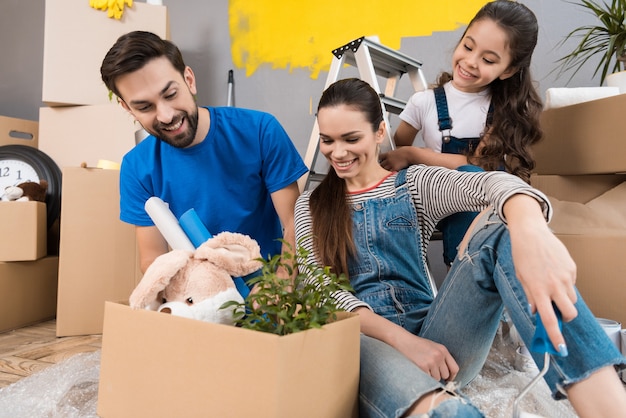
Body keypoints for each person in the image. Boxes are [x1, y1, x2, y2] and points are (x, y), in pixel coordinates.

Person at [294, 77, 626, 417]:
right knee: (445, 410)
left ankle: (608, 407)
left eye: (351, 139)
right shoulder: (311, 205)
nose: (338, 152)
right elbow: (321, 291)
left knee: (501, 234)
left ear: (380, 132)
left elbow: (493, 182)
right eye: (327, 140)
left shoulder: (415, 184)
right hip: (365, 344)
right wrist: (405, 342)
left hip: (440, 343)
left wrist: (531, 230)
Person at [100, 31, 308, 276]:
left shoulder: (260, 131)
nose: (166, 116)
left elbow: (294, 227)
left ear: (189, 80)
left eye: (170, 94)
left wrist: (279, 289)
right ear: (128, 108)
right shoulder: (137, 168)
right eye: (145, 107)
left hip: (270, 291)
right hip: (199, 297)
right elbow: (153, 261)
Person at [380, 0, 543, 267]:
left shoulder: (501, 109)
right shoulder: (423, 102)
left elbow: (475, 165)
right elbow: (398, 154)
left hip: (483, 206)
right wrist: (404, 156)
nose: (470, 62)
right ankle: (467, 268)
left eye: (488, 60)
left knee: (473, 178)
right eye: (468, 46)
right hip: (437, 201)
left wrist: (413, 154)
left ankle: (477, 267)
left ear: (509, 70)